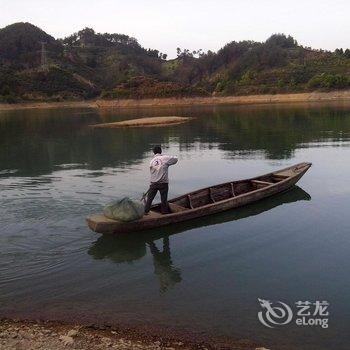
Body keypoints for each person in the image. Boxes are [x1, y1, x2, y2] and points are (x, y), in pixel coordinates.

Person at [144, 145, 178, 214]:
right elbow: (176, 159)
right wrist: (165, 158)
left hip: (153, 184)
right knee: (164, 199)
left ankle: (145, 212)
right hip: (163, 183)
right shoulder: (165, 158)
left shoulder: (151, 161)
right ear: (161, 151)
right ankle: (164, 212)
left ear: (154, 152)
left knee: (149, 199)